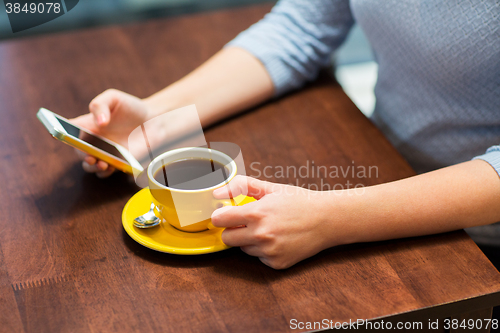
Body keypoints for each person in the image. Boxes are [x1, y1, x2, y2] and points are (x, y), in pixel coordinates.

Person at [71, 0, 500, 269]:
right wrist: (156, 119)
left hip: (476, 238)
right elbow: (301, 27)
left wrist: (333, 218)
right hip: (382, 163)